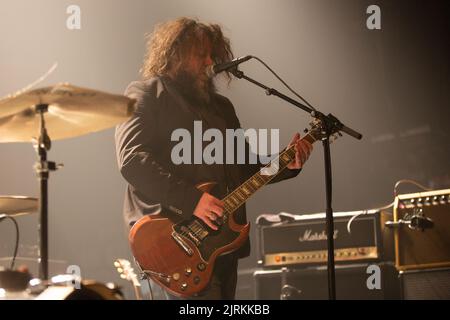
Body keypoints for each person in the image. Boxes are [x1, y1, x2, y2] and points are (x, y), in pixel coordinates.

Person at [115, 17, 313, 300]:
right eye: (201, 54)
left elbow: (245, 169)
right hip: (172, 246)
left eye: (212, 54)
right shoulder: (146, 94)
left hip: (221, 247)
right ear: (175, 55)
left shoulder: (221, 107)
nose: (210, 62)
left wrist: (286, 164)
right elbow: (132, 160)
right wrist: (193, 200)